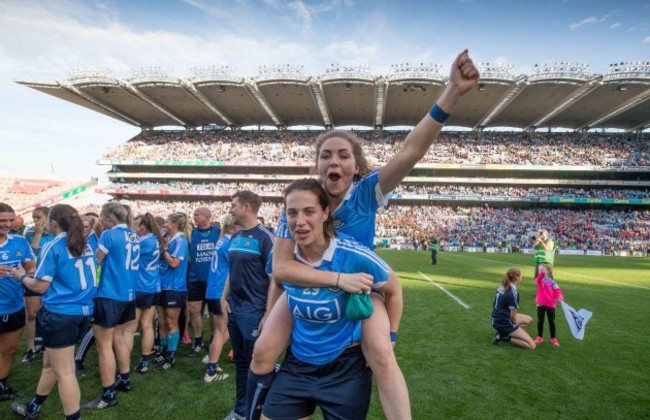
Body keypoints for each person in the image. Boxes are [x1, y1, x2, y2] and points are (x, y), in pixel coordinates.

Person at [249, 50, 479, 420]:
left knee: (382, 355)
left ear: (356, 167)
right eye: (326, 155)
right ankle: (252, 409)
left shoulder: (366, 194)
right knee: (262, 349)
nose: (334, 162)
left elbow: (412, 150)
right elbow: (281, 269)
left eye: (343, 155)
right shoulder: (298, 207)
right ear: (317, 164)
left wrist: (452, 91)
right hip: (312, 285)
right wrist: (268, 309)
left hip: (359, 286)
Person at [261, 179, 399, 419]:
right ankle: (247, 408)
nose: (300, 221)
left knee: (384, 358)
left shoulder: (353, 254)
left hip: (345, 369)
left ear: (326, 213)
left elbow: (394, 289)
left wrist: (392, 335)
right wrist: (269, 315)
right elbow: (278, 281)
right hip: (297, 365)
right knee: (260, 353)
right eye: (292, 213)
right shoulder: (282, 257)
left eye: (309, 212)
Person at [10, 204, 96, 420]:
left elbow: (39, 286)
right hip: (81, 312)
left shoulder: (55, 245)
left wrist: (19, 275)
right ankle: (33, 408)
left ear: (54, 222)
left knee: (65, 372)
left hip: (60, 314)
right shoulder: (84, 243)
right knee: (50, 364)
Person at [222, 191, 275, 420]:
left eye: (233, 205)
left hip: (254, 311)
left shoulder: (265, 237)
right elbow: (230, 271)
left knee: (260, 366)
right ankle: (242, 411)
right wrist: (224, 298)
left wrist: (268, 313)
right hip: (235, 309)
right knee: (241, 363)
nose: (230, 209)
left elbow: (275, 279)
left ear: (246, 207)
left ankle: (263, 411)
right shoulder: (235, 237)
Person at [82, 202, 139, 410]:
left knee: (104, 346)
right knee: (119, 339)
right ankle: (125, 380)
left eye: (102, 218)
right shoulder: (133, 235)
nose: (100, 221)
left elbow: (95, 262)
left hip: (109, 294)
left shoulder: (109, 234)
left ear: (110, 218)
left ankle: (108, 394)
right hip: (128, 294)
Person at [0, 203, 36, 401]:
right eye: (2, 221)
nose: (7, 225)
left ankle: (1, 384)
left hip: (13, 305)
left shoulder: (20, 241)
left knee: (9, 349)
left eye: (10, 220)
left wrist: (29, 271)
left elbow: (29, 264)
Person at [203, 214, 239, 383]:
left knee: (225, 330)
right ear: (233, 227)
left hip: (213, 290)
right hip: (220, 292)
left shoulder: (221, 240)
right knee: (222, 331)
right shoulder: (230, 242)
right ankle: (211, 370)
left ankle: (212, 355)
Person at [155, 212, 191, 371]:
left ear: (175, 224)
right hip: (161, 285)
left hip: (174, 287)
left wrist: (164, 250)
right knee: (161, 322)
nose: (165, 223)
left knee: (171, 322)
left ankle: (171, 355)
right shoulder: (167, 239)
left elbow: (175, 263)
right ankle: (162, 352)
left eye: (168, 221)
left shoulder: (181, 241)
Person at [22, 206, 55, 363]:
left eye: (38, 217)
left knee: (49, 312)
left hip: (51, 279)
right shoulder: (29, 233)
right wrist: (38, 234)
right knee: (32, 314)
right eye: (33, 217)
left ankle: (47, 345)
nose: (35, 220)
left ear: (48, 218)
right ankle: (31, 347)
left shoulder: (57, 233)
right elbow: (30, 255)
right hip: (34, 276)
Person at [133, 213, 165, 373]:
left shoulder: (142, 241)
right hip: (153, 286)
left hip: (140, 286)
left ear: (143, 226)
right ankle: (144, 361)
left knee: (131, 328)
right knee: (147, 325)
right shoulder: (157, 240)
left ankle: (123, 366)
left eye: (138, 225)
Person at [187, 206, 221, 356]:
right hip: (195, 279)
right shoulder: (191, 233)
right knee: (194, 310)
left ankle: (214, 338)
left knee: (214, 313)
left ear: (207, 217)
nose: (194, 217)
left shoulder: (218, 232)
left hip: (213, 279)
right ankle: (198, 340)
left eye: (197, 215)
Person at [491, 267, 536, 350]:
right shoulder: (512, 293)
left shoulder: (503, 286)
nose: (522, 278)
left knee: (529, 320)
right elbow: (513, 316)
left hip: (496, 319)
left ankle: (502, 332)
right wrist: (514, 326)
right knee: (531, 345)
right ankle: (505, 337)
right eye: (521, 276)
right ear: (517, 278)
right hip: (503, 322)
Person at [534, 263, 564, 347]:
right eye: (539, 270)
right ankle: (539, 337)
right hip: (541, 304)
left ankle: (553, 338)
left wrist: (560, 297)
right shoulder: (540, 281)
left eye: (543, 270)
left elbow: (557, 291)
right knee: (540, 321)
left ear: (548, 271)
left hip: (551, 305)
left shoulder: (552, 282)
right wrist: (541, 274)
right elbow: (537, 281)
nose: (540, 272)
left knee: (552, 322)